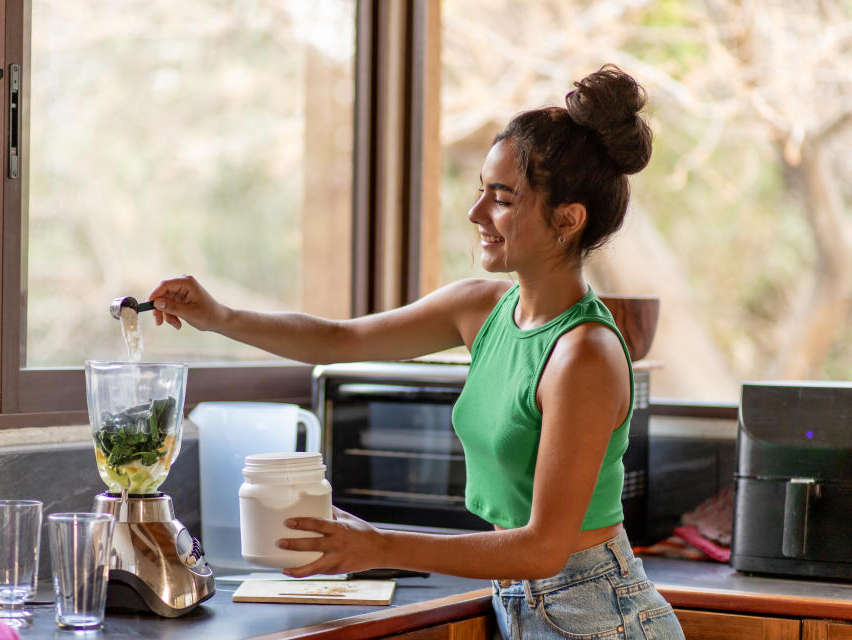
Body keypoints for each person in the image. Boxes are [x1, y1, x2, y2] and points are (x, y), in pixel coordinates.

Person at [147, 64, 685, 639]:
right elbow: (339, 339)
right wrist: (219, 317)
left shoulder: (585, 355)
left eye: (502, 199)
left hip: (598, 612)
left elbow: (543, 549)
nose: (476, 214)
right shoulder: (481, 308)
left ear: (567, 220)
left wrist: (375, 545)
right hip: (528, 603)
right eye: (480, 191)